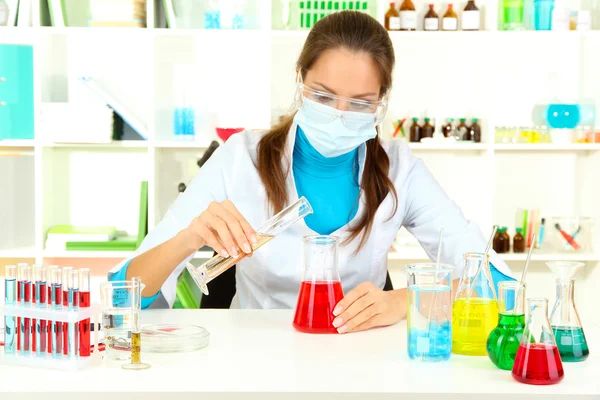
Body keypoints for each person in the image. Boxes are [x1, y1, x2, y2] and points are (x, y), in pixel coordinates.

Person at [108, 11, 514, 333]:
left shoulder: (400, 169)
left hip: (360, 358)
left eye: (359, 103)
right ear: (300, 80)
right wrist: (191, 235)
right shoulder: (239, 159)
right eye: (322, 96)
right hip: (254, 363)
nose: (338, 116)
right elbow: (123, 293)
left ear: (381, 102)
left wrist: (404, 301)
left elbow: (498, 284)